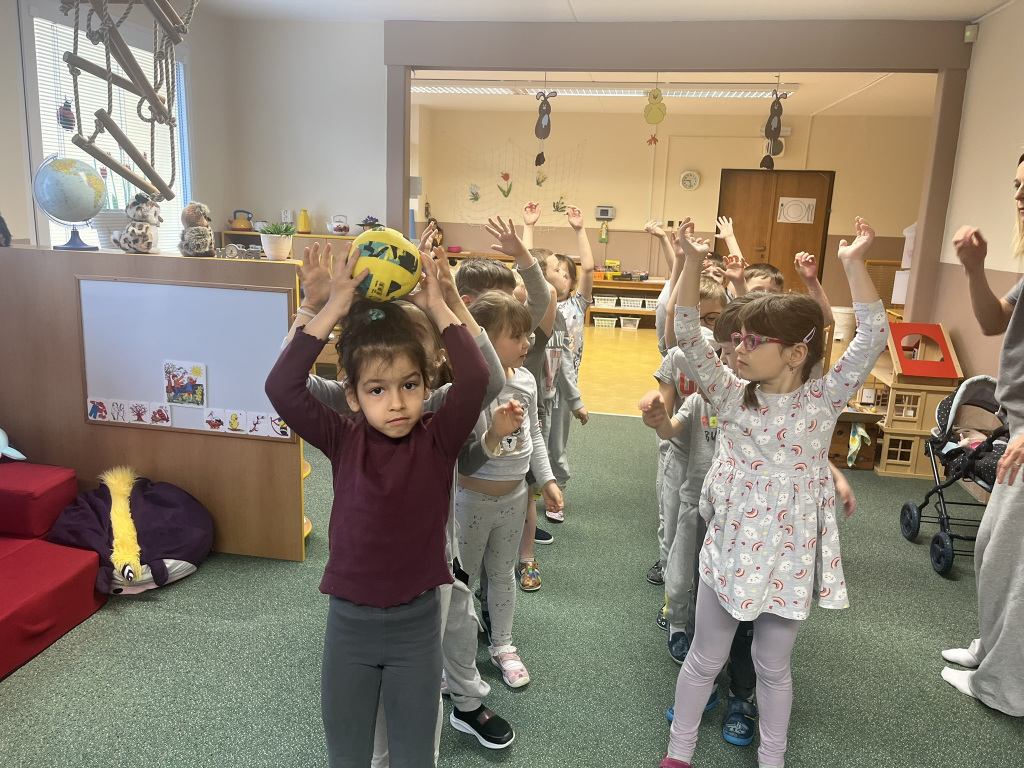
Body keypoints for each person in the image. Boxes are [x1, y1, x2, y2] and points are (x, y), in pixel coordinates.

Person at [659, 216, 889, 768]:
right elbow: (687, 331)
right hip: (730, 548)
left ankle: (773, 757)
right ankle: (678, 752)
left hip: (788, 556)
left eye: (752, 340)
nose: (737, 348)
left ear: (795, 353)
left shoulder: (822, 399)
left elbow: (872, 336)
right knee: (704, 657)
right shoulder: (730, 393)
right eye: (736, 338)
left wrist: (853, 263)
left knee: (772, 666)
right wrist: (690, 261)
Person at [265, 246, 490, 768]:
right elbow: (281, 385)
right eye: (377, 390)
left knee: (415, 757)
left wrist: (438, 305)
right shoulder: (342, 438)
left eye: (409, 386)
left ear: (427, 386)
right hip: (349, 625)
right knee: (347, 756)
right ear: (352, 396)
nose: (396, 403)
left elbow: (477, 378)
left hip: (417, 626)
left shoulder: (438, 439)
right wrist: (329, 306)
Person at [941, 152, 1024, 717]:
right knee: (995, 554)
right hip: (1016, 426)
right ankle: (992, 652)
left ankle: (1003, 686)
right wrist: (974, 268)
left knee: (1014, 567)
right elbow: (995, 321)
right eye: (1017, 184)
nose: (1019, 196)